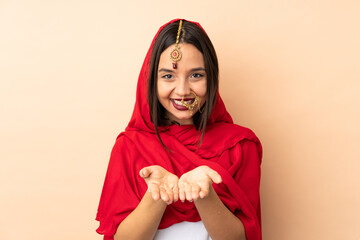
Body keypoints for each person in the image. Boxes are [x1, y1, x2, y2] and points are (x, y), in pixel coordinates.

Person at [95, 18, 263, 240]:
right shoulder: (129, 146)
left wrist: (205, 195)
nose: (182, 90)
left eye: (196, 75)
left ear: (211, 79)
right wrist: (157, 195)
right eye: (168, 76)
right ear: (151, 81)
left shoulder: (239, 145)